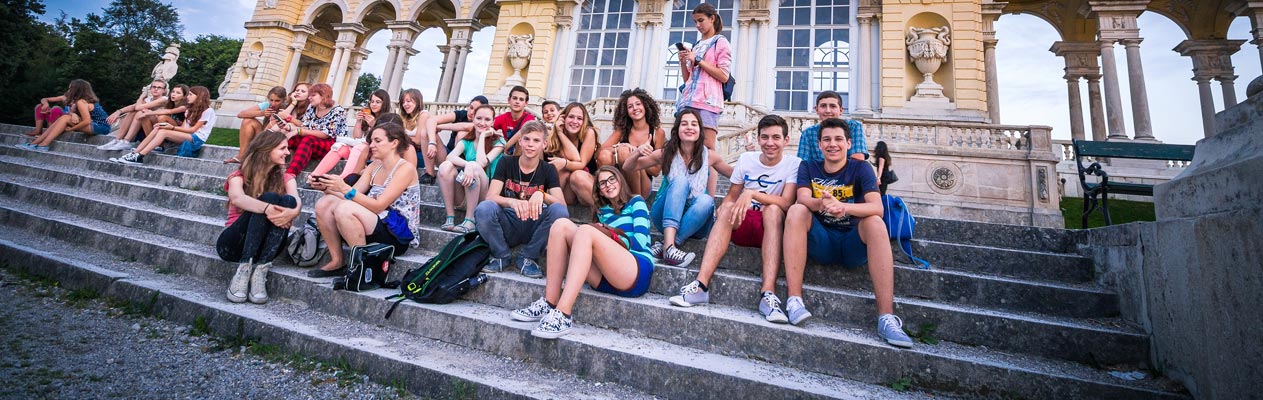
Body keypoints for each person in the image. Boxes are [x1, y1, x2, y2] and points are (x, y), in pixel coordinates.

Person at [782, 118, 913, 347]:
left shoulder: (861, 167)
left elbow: (876, 207)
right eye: (827, 140)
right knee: (796, 211)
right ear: (820, 145)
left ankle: (886, 317)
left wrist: (844, 207)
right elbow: (802, 198)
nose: (833, 144)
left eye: (838, 139)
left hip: (853, 241)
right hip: (822, 240)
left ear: (849, 143)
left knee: (874, 222)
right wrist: (822, 203)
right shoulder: (808, 166)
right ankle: (794, 300)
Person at [669, 115, 801, 322]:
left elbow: (786, 202)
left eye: (776, 137)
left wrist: (752, 194)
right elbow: (731, 195)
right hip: (744, 222)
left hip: (772, 228)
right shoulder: (747, 160)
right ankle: (701, 285)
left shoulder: (794, 164)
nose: (770, 143)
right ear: (758, 139)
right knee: (728, 206)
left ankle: (768, 294)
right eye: (765, 137)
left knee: (773, 210)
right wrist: (724, 208)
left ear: (786, 140)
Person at [510, 167, 654, 339]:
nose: (608, 185)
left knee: (585, 231)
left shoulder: (635, 202)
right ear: (598, 190)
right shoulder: (602, 211)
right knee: (560, 225)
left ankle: (563, 314)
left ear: (620, 180)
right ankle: (550, 302)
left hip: (636, 271)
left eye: (611, 179)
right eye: (602, 183)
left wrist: (609, 234)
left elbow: (640, 242)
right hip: (605, 278)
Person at [306, 123, 421, 278]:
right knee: (325, 203)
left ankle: (361, 267)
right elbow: (354, 195)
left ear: (394, 143)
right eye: (371, 140)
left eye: (378, 141)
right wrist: (327, 188)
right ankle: (337, 261)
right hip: (375, 222)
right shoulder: (374, 165)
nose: (372, 145)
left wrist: (345, 188)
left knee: (345, 209)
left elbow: (379, 205)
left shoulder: (405, 168)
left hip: (396, 234)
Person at [623, 109, 732, 267]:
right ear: (677, 130)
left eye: (694, 124)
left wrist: (751, 156)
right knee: (680, 180)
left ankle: (666, 246)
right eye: (684, 124)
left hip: (697, 221)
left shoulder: (710, 156)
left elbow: (735, 175)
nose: (689, 127)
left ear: (700, 131)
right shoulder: (666, 153)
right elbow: (628, 166)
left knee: (707, 200)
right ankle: (670, 247)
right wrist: (638, 151)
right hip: (664, 214)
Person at [474, 121, 569, 278]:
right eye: (527, 139)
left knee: (559, 212)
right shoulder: (506, 162)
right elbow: (490, 197)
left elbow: (562, 206)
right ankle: (501, 255)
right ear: (520, 141)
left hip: (535, 225)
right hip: (509, 222)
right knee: (484, 208)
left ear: (544, 144)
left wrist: (542, 194)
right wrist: (511, 201)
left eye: (536, 140)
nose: (530, 145)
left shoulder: (548, 169)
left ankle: (528, 257)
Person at [218, 129, 302, 304]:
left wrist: (293, 212)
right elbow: (237, 198)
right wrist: (267, 208)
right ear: (266, 149)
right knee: (270, 198)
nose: (287, 152)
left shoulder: (287, 177)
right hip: (234, 244)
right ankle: (242, 271)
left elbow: (295, 201)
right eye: (282, 148)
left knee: (286, 200)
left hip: (267, 247)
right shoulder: (239, 175)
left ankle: (261, 271)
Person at [438, 105, 505, 233]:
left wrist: (482, 137)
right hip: (466, 191)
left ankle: (470, 220)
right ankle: (450, 217)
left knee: (474, 166)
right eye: (479, 118)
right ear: (473, 119)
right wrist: (467, 164)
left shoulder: (499, 142)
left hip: (486, 196)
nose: (482, 122)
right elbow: (450, 156)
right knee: (445, 166)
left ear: (493, 122)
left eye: (487, 119)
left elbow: (481, 162)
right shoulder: (467, 141)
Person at [675, 3, 732, 151]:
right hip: (688, 100)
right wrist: (683, 61)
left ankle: (708, 175)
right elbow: (687, 79)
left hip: (708, 102)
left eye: (701, 20)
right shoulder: (697, 45)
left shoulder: (720, 42)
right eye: (695, 22)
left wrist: (698, 60)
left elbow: (724, 76)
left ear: (712, 19)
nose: (697, 25)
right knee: (683, 146)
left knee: (707, 148)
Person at [111, 86, 215, 164]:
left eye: (191, 94)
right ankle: (134, 154)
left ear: (200, 96)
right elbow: (184, 128)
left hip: (197, 138)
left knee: (163, 131)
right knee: (159, 128)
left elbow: (193, 130)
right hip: (187, 135)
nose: (188, 96)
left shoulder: (208, 111)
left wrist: (172, 128)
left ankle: (140, 156)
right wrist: (166, 126)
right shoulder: (189, 109)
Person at [597, 88, 667, 200]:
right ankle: (609, 199)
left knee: (626, 153)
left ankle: (635, 203)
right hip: (623, 180)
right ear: (626, 112)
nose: (635, 108)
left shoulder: (657, 133)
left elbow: (656, 171)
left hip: (644, 183)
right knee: (613, 153)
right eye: (630, 107)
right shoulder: (622, 130)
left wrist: (637, 155)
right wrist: (620, 146)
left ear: (645, 106)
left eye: (638, 104)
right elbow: (600, 153)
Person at [310, 89, 389, 178]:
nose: (373, 104)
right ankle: (314, 176)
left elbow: (381, 140)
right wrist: (358, 121)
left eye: (378, 102)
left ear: (384, 103)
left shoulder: (388, 119)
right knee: (339, 147)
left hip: (372, 154)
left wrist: (374, 124)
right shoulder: (368, 115)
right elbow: (357, 137)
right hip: (359, 151)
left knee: (359, 147)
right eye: (372, 101)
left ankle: (344, 179)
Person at [277, 83, 347, 177]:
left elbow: (325, 134)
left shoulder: (337, 110)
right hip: (314, 140)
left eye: (313, 95)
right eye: (309, 95)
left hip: (332, 145)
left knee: (308, 140)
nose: (309, 98)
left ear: (323, 96)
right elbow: (305, 126)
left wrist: (298, 131)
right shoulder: (312, 107)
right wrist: (290, 128)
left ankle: (290, 174)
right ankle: (274, 167)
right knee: (289, 138)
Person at [22, 79, 111, 151]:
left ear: (77, 90)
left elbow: (87, 121)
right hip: (95, 125)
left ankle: (43, 144)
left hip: (101, 127)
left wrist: (72, 129)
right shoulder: (81, 101)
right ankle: (36, 143)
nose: (68, 90)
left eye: (70, 89)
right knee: (64, 118)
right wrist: (72, 114)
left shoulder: (82, 101)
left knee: (64, 118)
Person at [544, 102, 598, 207]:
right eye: (571, 117)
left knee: (576, 175)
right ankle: (553, 210)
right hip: (567, 193)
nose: (575, 121)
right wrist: (560, 132)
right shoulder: (556, 137)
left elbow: (580, 162)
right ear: (563, 118)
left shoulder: (589, 132)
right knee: (562, 172)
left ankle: (603, 213)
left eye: (579, 118)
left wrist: (565, 162)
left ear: (584, 121)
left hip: (586, 185)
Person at [796, 91, 867, 163]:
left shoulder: (854, 127)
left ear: (841, 110)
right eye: (823, 106)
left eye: (833, 106)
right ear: (816, 110)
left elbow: (858, 162)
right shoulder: (807, 134)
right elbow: (803, 164)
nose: (828, 111)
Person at [98, 79, 169, 151]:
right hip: (146, 128)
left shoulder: (164, 99)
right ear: (150, 89)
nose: (156, 89)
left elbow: (137, 107)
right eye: (154, 87)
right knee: (132, 112)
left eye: (159, 87)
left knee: (140, 112)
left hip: (158, 129)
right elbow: (133, 106)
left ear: (164, 90)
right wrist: (118, 111)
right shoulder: (149, 99)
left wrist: (141, 97)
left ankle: (126, 141)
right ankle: (117, 140)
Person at [225, 86, 289, 163]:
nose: (273, 103)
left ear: (284, 100)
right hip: (264, 134)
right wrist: (261, 113)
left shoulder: (287, 108)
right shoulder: (267, 105)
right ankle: (241, 156)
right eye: (271, 100)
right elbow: (240, 114)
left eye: (277, 101)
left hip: (279, 137)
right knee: (247, 121)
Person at [400, 89, 440, 184]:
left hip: (424, 154)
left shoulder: (423, 115)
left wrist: (400, 139)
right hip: (408, 150)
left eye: (408, 101)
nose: (405, 104)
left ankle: (408, 182)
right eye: (403, 102)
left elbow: (418, 141)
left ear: (417, 101)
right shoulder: (404, 117)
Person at [495, 86, 536, 154]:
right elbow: (489, 125)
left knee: (521, 141)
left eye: (521, 99)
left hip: (522, 155)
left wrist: (503, 148)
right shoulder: (504, 117)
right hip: (507, 153)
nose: (517, 102)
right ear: (509, 100)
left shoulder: (529, 118)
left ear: (526, 103)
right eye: (514, 98)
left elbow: (521, 132)